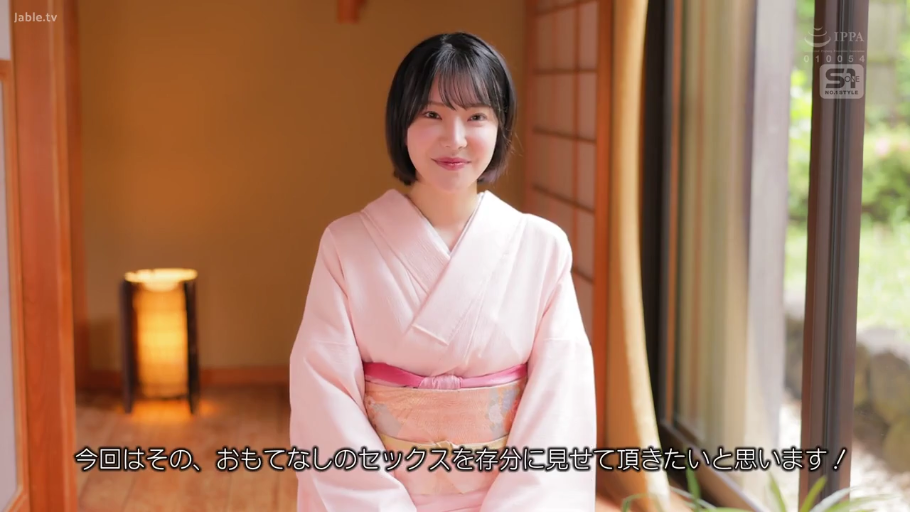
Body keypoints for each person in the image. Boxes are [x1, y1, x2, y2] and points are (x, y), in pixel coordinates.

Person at [289, 32, 597, 511]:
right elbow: (323, 398)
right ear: (401, 123)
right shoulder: (346, 245)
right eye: (431, 115)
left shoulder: (541, 247)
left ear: (500, 126)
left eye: (476, 116)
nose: (454, 138)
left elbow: (561, 403)